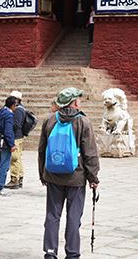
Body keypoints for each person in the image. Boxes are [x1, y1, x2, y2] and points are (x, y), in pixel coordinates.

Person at [39, 87, 100, 259]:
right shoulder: (83, 122)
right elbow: (90, 153)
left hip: (52, 175)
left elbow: (42, 150)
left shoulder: (50, 120)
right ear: (74, 102)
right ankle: (72, 253)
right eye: (78, 99)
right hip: (76, 177)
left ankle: (50, 252)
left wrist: (42, 173)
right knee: (73, 217)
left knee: (52, 215)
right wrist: (93, 177)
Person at [0, 95, 17, 195]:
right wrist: (12, 144)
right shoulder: (9, 115)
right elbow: (8, 131)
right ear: (13, 105)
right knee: (4, 165)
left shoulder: (0, 112)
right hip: (5, 143)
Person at [6, 90, 26, 189]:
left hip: (16, 137)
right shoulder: (21, 109)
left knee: (14, 158)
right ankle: (20, 177)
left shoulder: (18, 110)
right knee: (18, 158)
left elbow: (17, 124)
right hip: (19, 136)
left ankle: (15, 179)